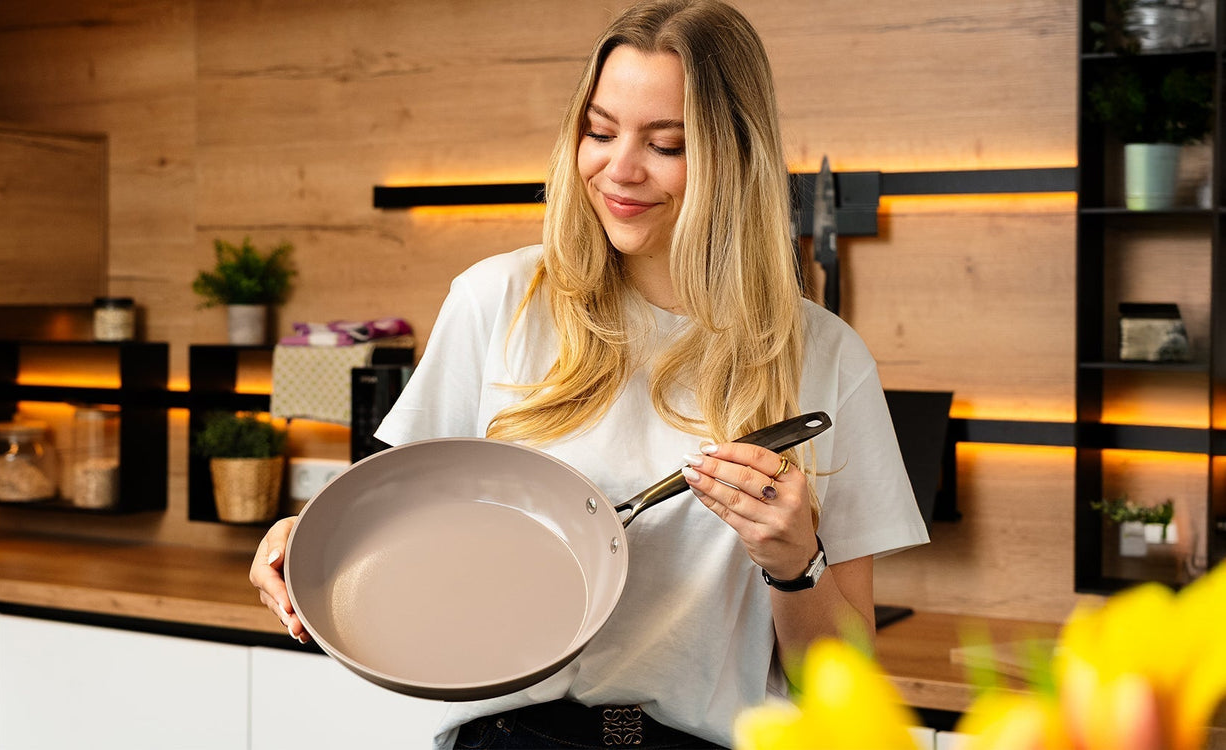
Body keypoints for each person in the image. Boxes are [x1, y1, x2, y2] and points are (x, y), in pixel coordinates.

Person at [249, 1, 928, 747]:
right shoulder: (498, 301)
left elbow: (843, 685)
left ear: (736, 154)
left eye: (665, 144)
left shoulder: (824, 356)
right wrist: (297, 538)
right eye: (600, 132)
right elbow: (383, 526)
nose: (619, 168)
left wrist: (794, 561)